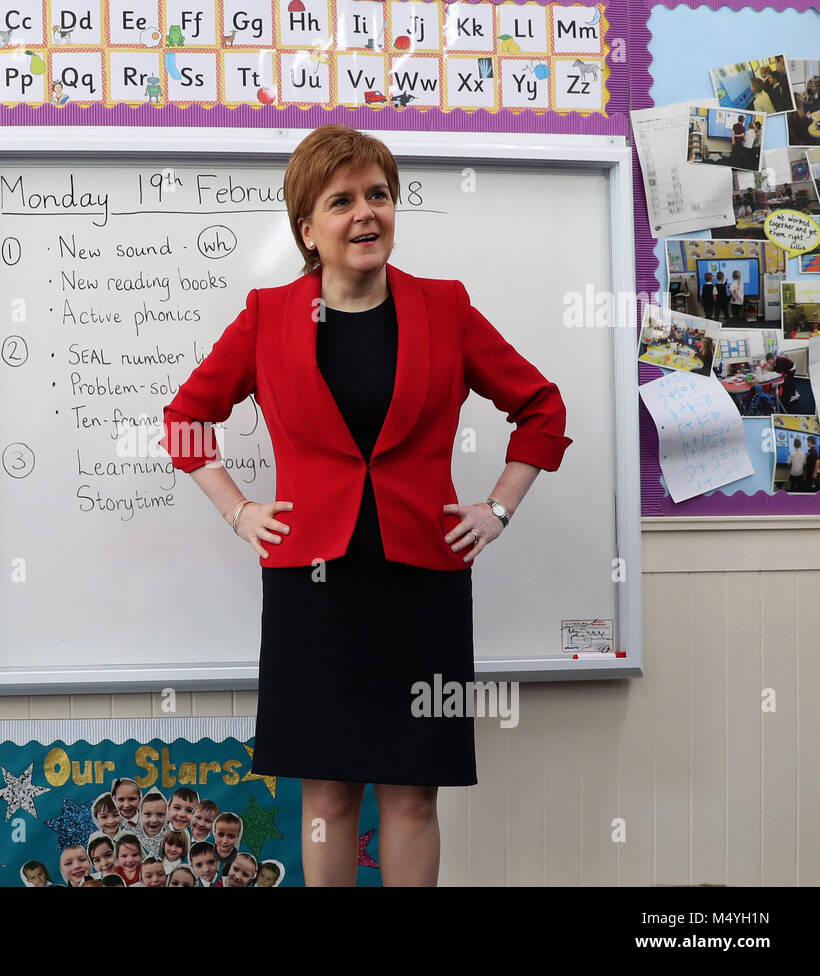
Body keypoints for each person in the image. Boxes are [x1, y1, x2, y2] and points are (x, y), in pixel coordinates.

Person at [158, 125, 572, 886]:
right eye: (341, 200)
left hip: (424, 586)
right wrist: (237, 509)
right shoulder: (267, 316)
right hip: (312, 589)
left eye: (378, 195)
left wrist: (498, 508)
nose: (364, 214)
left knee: (414, 794)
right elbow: (185, 418)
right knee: (328, 790)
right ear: (306, 228)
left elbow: (542, 408)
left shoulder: (444, 308)